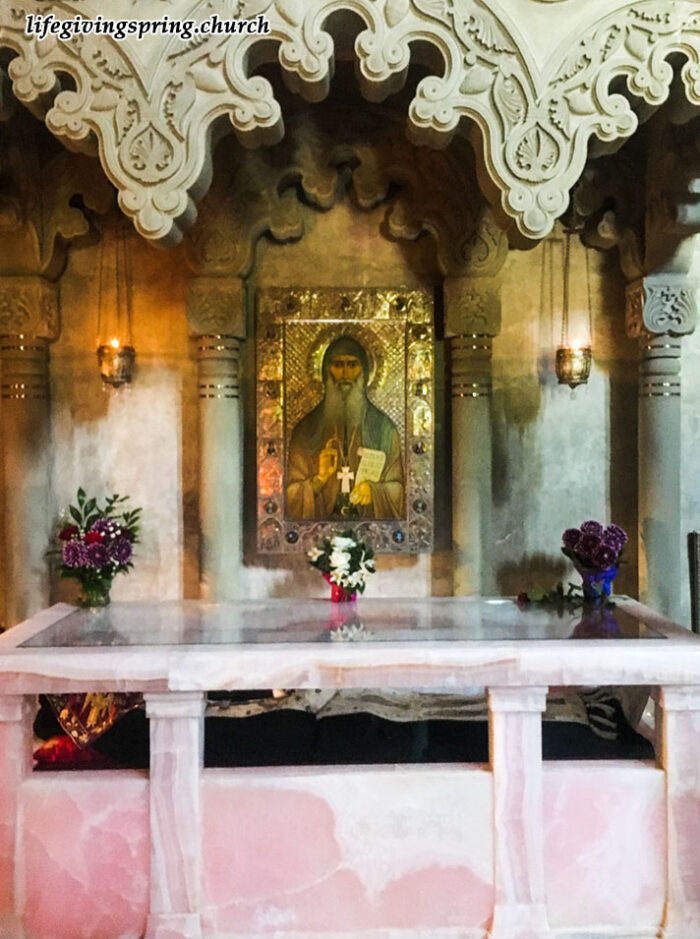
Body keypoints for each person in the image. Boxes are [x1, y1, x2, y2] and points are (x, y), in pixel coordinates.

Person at [286, 335, 405, 519]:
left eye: (352, 365)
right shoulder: (305, 430)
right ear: (326, 372)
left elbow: (398, 489)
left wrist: (373, 491)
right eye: (338, 365)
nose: (344, 374)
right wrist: (319, 480)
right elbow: (290, 495)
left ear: (364, 373)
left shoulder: (384, 429)